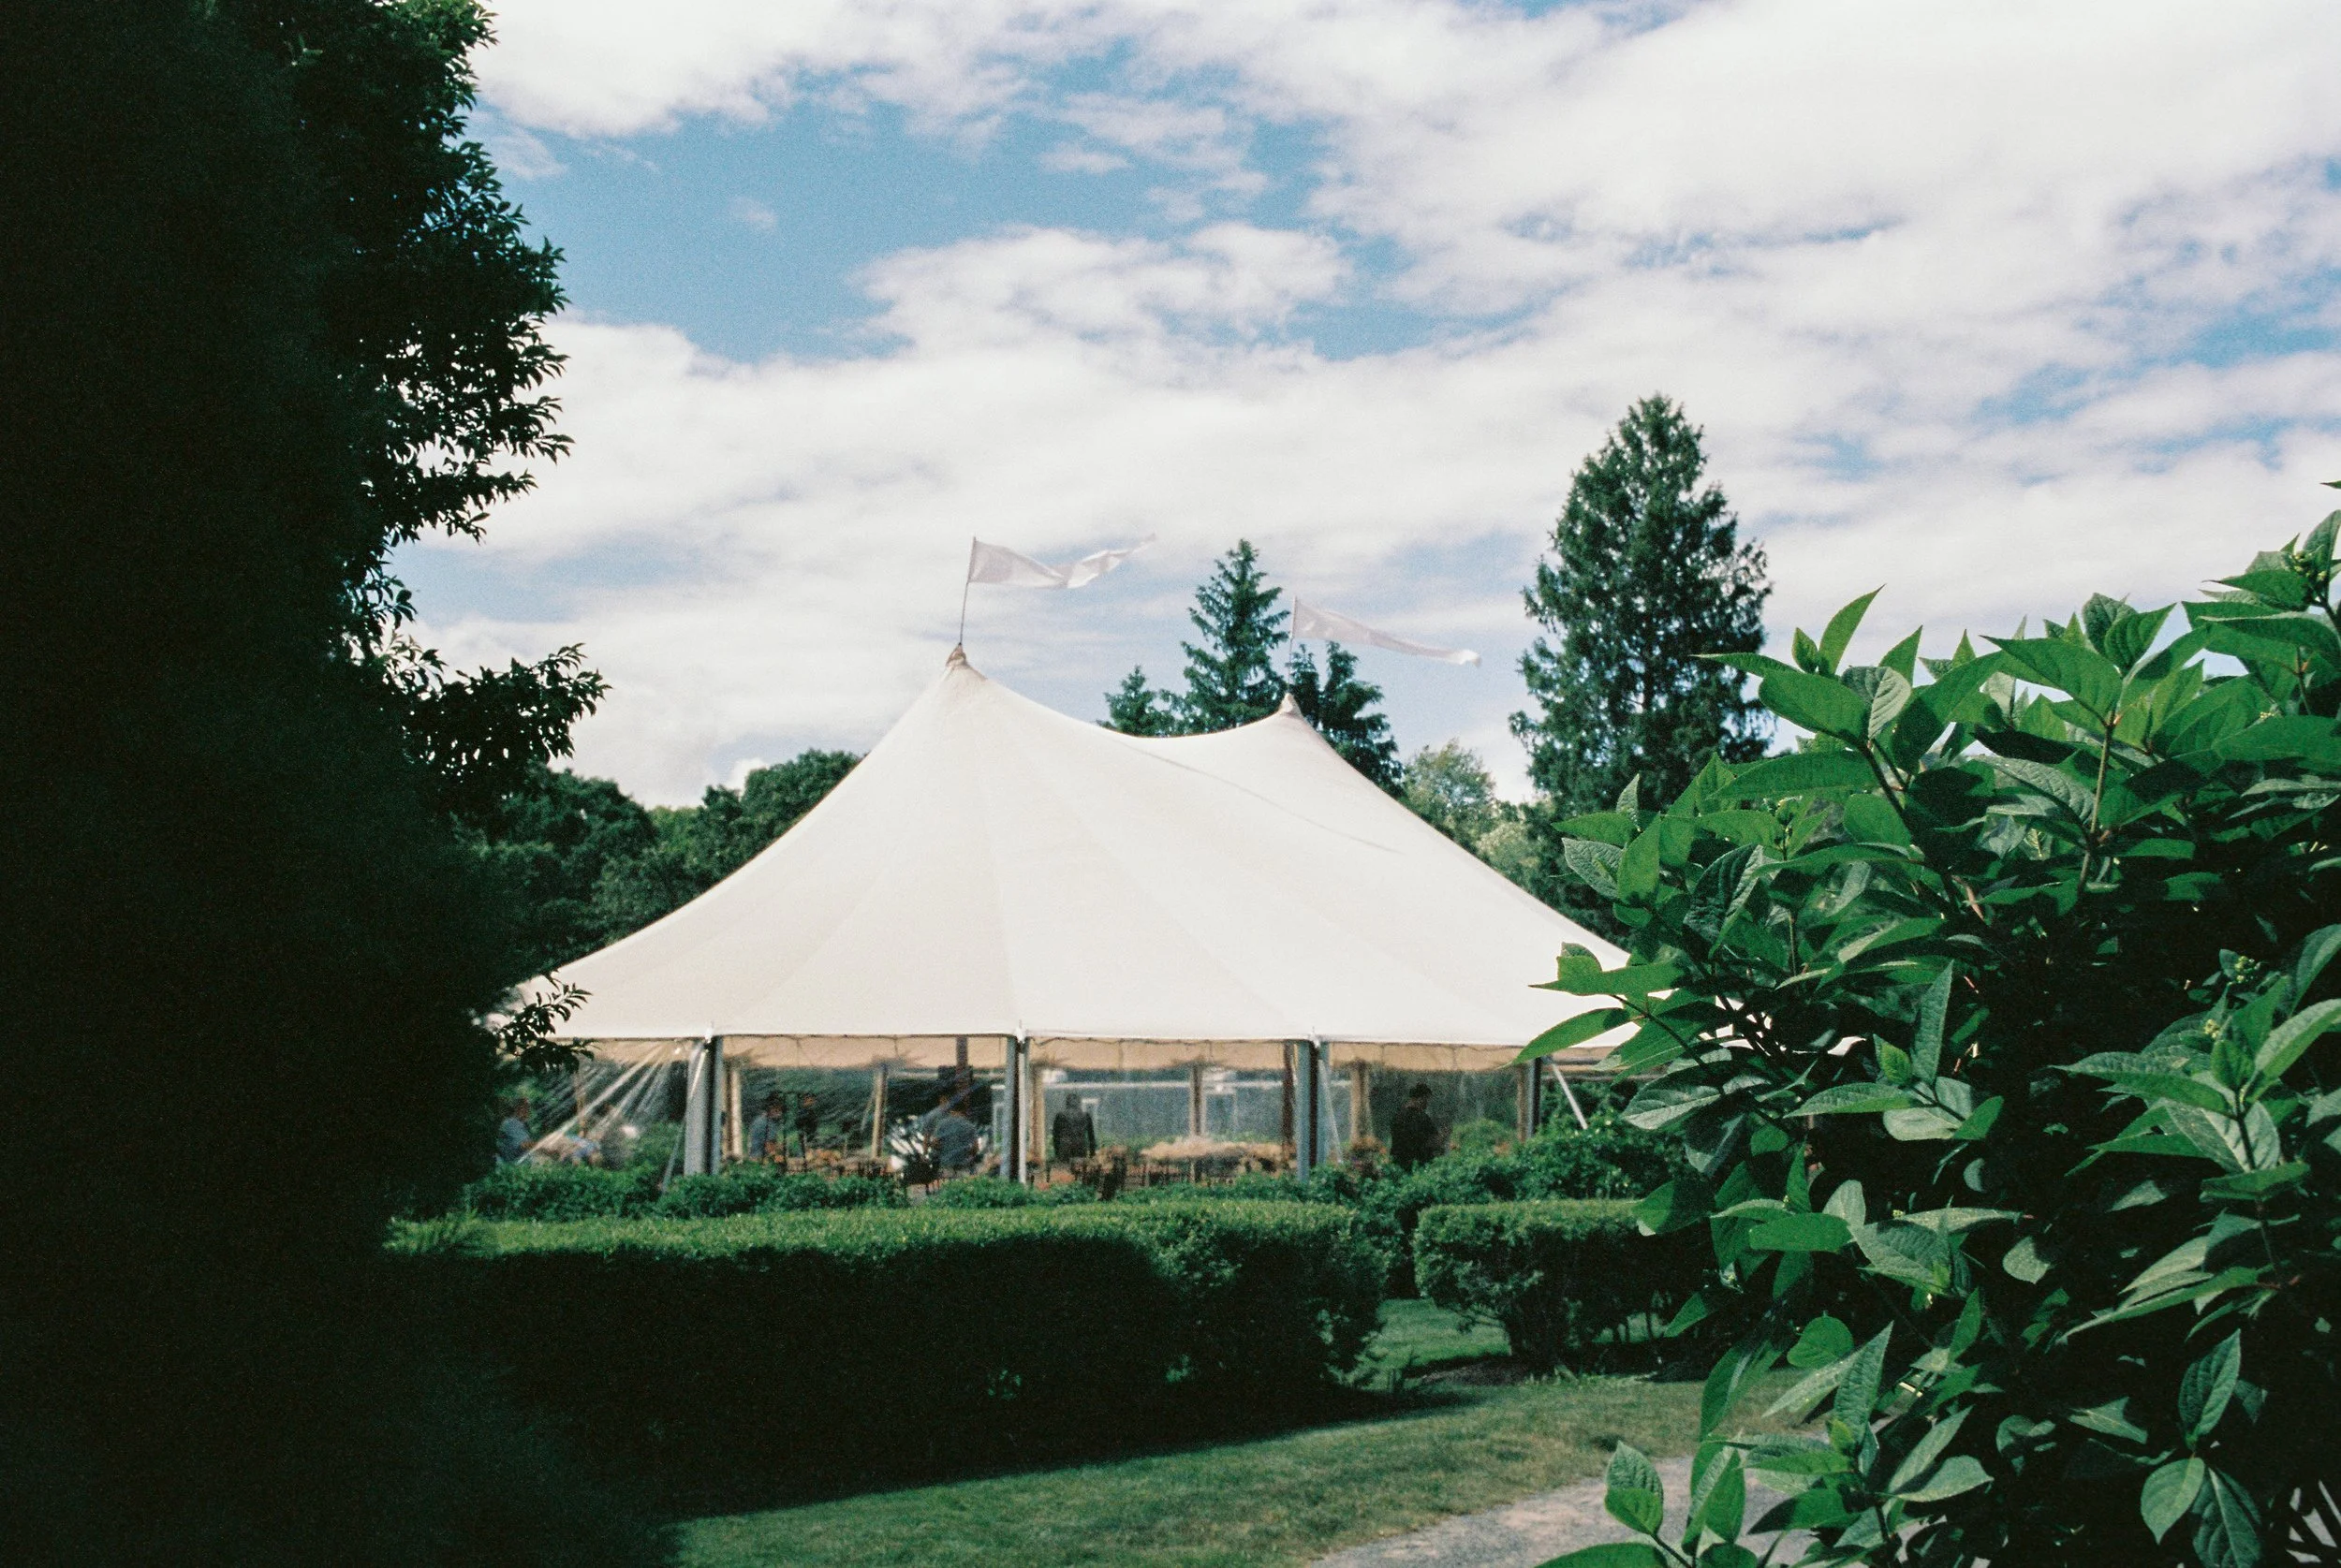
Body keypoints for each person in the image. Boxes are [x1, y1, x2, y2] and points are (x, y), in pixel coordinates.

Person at [1389, 1082, 1445, 1170]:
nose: (1427, 1104)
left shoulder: (1397, 1116)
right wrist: (1444, 1135)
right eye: (1426, 1100)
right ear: (1421, 1099)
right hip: (1420, 1166)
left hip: (1399, 1165)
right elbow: (1434, 1142)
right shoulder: (1422, 1118)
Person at [926, 1094, 979, 1175]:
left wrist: (943, 1149)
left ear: (951, 1109)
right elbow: (975, 1148)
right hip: (964, 1167)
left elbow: (935, 1143)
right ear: (964, 1111)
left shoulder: (942, 1124)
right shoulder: (969, 1126)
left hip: (946, 1167)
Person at [1051, 1095, 1096, 1162]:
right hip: (1080, 1148)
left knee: (1065, 1170)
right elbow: (1091, 1137)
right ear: (1079, 1104)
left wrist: (1057, 1153)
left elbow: (1056, 1137)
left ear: (1067, 1103)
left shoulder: (1060, 1116)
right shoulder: (1086, 1116)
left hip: (1065, 1149)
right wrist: (1092, 1155)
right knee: (1079, 1169)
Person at [746, 1092, 787, 1163]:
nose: (780, 1113)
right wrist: (781, 1148)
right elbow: (769, 1148)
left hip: (753, 1158)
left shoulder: (758, 1120)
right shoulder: (769, 1123)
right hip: (762, 1159)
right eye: (777, 1109)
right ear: (770, 1108)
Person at [495, 1095, 532, 1165]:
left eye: (528, 1108)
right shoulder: (511, 1123)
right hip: (511, 1169)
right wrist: (547, 1151)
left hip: (517, 1169)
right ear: (518, 1109)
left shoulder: (520, 1125)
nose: (528, 1111)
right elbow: (525, 1145)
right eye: (526, 1107)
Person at [793, 1092, 821, 1159]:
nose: (813, 1102)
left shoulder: (810, 1111)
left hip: (812, 1138)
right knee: (807, 1157)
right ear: (805, 1100)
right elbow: (802, 1129)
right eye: (811, 1100)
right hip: (806, 1141)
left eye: (813, 1100)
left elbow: (814, 1127)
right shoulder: (802, 1112)